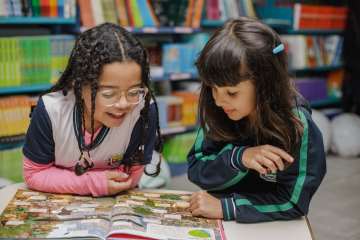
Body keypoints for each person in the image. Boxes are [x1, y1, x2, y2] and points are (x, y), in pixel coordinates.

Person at [187, 17, 326, 223]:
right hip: (218, 221)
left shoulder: (298, 126)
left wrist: (228, 207)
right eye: (212, 88)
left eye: (232, 93)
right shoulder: (217, 109)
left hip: (264, 227)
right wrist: (239, 158)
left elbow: (293, 202)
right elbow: (197, 170)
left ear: (265, 85)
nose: (217, 100)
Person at [23, 23, 162, 197]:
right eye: (109, 93)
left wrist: (60, 178)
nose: (124, 104)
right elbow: (35, 174)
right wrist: (94, 183)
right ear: (79, 85)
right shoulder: (51, 111)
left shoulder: (143, 111)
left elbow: (129, 178)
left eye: (134, 91)